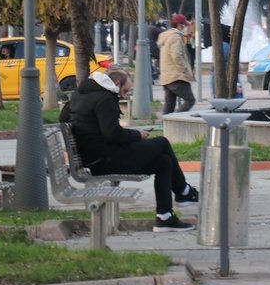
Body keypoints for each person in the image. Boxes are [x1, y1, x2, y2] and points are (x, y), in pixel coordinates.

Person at [60, 69, 198, 232]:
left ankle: (165, 217)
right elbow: (112, 134)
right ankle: (183, 191)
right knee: (162, 142)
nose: (125, 96)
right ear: (117, 84)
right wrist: (137, 135)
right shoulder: (105, 98)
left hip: (96, 158)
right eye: (125, 91)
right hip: (105, 160)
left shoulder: (81, 94)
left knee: (163, 161)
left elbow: (63, 118)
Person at [159, 13, 196, 114]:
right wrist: (184, 69)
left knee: (169, 104)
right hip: (176, 77)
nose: (186, 27)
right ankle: (176, 120)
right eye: (184, 25)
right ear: (180, 25)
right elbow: (177, 56)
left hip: (167, 77)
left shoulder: (167, 36)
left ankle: (166, 125)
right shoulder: (175, 37)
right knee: (190, 100)